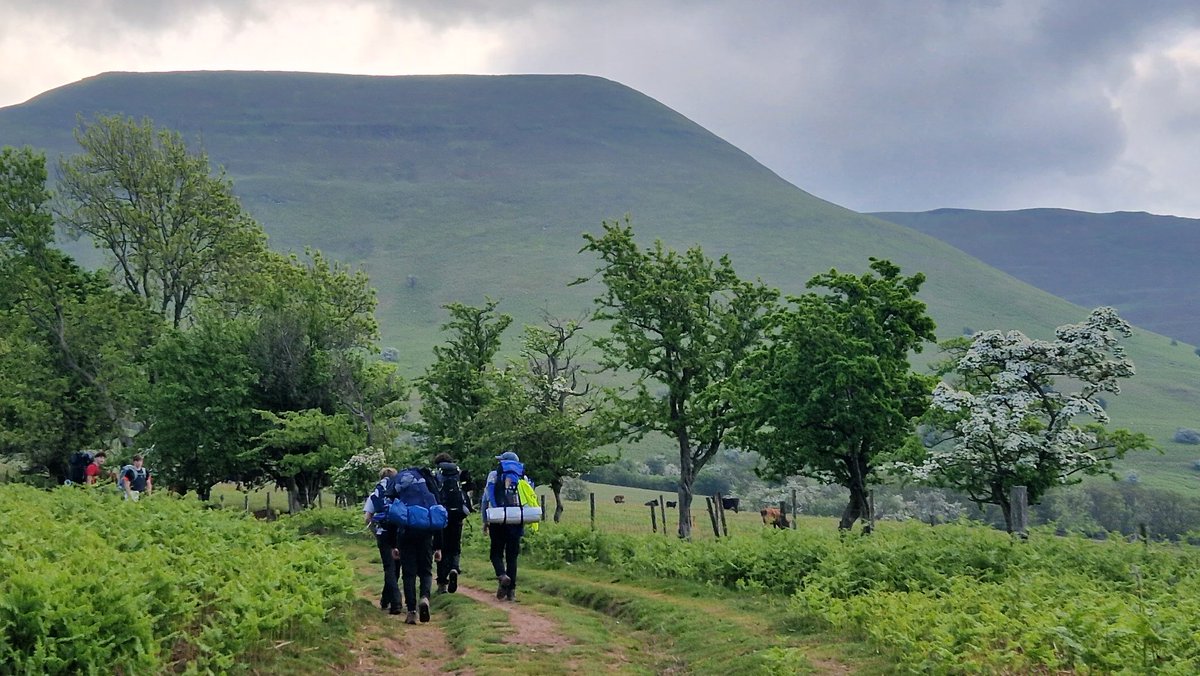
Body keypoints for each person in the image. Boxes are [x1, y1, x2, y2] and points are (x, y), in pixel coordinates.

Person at [389, 467, 444, 624]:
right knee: (426, 571)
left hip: (405, 534)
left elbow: (394, 515)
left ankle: (412, 611)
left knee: (409, 573)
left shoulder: (399, 487)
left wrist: (393, 545)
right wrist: (438, 547)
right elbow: (437, 516)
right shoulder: (428, 487)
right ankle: (425, 597)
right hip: (426, 533)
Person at [482, 451, 531, 602]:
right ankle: (511, 593)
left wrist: (485, 521)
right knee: (512, 557)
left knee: (495, 553)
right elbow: (528, 498)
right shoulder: (523, 476)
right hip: (516, 520)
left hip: (498, 519)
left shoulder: (493, 475)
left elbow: (486, 499)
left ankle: (502, 576)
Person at [363, 468, 401, 615]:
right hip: (399, 533)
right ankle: (387, 600)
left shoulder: (376, 493)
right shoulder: (400, 491)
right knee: (396, 567)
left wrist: (375, 532)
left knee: (389, 567)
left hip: (383, 533)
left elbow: (367, 518)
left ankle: (395, 602)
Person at [431, 453, 471, 595]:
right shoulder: (458, 473)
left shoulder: (435, 474)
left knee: (441, 547)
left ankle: (442, 583)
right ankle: (454, 567)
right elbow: (468, 489)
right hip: (458, 514)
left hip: (441, 514)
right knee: (455, 545)